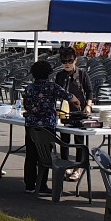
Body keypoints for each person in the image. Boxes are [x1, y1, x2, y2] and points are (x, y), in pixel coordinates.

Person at [23, 59, 81, 194]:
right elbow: (70, 97)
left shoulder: (29, 87)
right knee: (44, 157)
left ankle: (29, 185)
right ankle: (41, 185)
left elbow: (26, 104)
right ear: (48, 73)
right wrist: (77, 102)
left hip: (31, 125)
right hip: (47, 126)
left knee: (31, 156)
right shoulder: (52, 87)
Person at [54, 46, 93, 180]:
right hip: (64, 110)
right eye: (64, 61)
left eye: (70, 61)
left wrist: (88, 105)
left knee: (79, 140)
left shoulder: (82, 74)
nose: (67, 64)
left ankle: (78, 167)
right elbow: (56, 92)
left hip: (79, 111)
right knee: (64, 140)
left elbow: (89, 91)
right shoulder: (60, 75)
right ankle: (66, 166)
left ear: (75, 60)